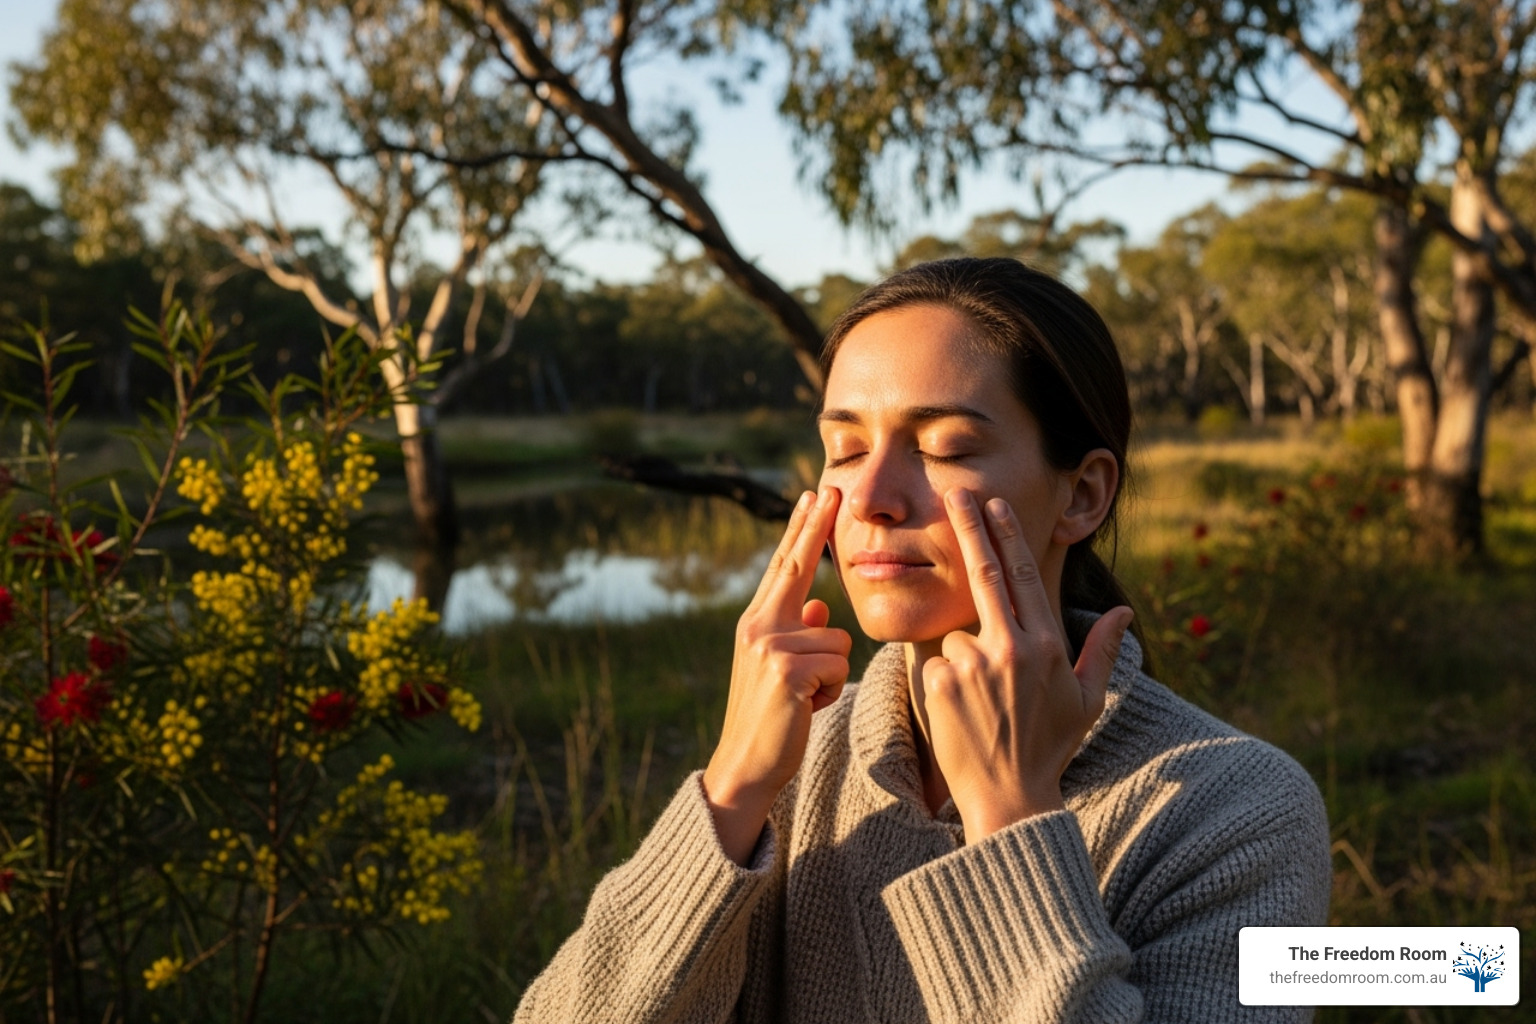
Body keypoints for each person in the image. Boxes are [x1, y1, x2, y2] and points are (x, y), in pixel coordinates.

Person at [512, 258, 1331, 1023]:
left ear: (1081, 494)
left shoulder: (1237, 809)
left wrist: (1012, 819)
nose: (870, 497)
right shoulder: (801, 761)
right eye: (845, 448)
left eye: (944, 448)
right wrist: (731, 789)